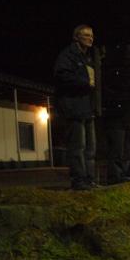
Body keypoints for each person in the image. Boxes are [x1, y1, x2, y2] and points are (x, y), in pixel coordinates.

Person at [54, 25, 98, 190]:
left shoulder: (88, 58)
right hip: (74, 108)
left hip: (87, 108)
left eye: (92, 35)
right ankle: (79, 181)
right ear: (76, 37)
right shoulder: (67, 55)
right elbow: (62, 76)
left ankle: (89, 180)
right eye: (86, 35)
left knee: (90, 148)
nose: (90, 38)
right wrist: (86, 83)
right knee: (78, 147)